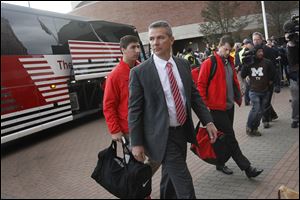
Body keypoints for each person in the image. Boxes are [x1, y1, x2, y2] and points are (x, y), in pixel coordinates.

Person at [128, 20, 218, 199]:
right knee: (183, 181)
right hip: (160, 135)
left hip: (181, 131)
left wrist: (208, 121)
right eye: (152, 39)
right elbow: (134, 110)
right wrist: (136, 143)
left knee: (169, 176)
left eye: (160, 37)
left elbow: (194, 96)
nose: (155, 42)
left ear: (171, 40)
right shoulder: (140, 72)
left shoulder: (182, 65)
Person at [197, 35, 263, 178]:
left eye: (230, 50)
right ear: (219, 46)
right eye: (225, 49)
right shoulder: (210, 62)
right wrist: (205, 109)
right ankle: (247, 168)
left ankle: (220, 163)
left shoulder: (230, 62)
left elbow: (231, 81)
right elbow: (200, 85)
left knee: (224, 137)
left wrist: (238, 92)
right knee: (231, 138)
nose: (227, 52)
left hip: (228, 106)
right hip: (215, 109)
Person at [102, 36, 160, 197]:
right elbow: (108, 106)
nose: (136, 51)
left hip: (148, 126)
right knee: (136, 163)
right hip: (128, 130)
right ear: (122, 50)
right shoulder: (115, 75)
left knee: (157, 157)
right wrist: (115, 130)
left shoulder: (142, 68)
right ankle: (140, 192)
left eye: (137, 47)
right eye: (132, 47)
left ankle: (135, 184)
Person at [241, 45, 276, 136]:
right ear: (255, 53)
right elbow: (243, 75)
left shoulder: (267, 62)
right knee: (256, 108)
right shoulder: (250, 62)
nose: (261, 53)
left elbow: (273, 73)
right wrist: (245, 64)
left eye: (262, 51)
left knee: (261, 111)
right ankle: (249, 127)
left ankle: (255, 128)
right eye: (259, 51)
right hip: (254, 91)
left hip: (265, 91)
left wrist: (271, 83)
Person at [252, 32, 279, 129]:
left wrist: (273, 81)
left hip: (268, 81)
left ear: (262, 39)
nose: (255, 41)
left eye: (257, 39)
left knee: (266, 101)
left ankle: (265, 120)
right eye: (254, 39)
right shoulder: (251, 51)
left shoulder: (268, 50)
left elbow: (274, 66)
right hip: (256, 81)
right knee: (263, 101)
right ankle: (272, 115)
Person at [284, 25, 299, 128]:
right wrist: (291, 43)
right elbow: (291, 62)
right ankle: (295, 118)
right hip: (294, 76)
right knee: (296, 99)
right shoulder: (289, 46)